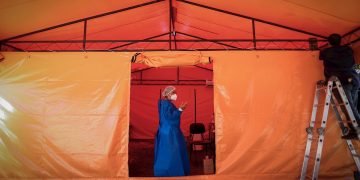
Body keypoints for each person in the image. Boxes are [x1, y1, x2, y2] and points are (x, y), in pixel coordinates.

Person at [319, 33, 360, 137]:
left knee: (348, 108)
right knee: (352, 107)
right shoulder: (348, 50)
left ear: (329, 42)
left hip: (340, 82)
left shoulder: (326, 52)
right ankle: (354, 130)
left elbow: (320, 56)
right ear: (341, 41)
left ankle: (357, 129)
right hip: (354, 79)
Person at [153, 86, 190, 176]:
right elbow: (171, 117)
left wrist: (179, 109)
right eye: (173, 93)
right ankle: (171, 171)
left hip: (165, 130)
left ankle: (165, 170)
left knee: (165, 151)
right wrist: (180, 109)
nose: (175, 95)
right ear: (168, 94)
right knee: (172, 151)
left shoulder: (164, 103)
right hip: (170, 132)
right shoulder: (166, 104)